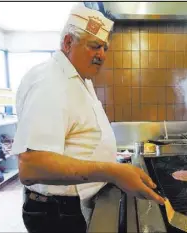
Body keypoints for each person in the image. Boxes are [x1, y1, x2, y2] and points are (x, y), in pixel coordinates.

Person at [11, 3, 164, 233]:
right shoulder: (50, 82)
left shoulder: (80, 79)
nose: (101, 55)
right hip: (57, 214)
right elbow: (32, 167)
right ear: (68, 43)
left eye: (104, 48)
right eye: (94, 46)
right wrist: (113, 172)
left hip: (72, 206)